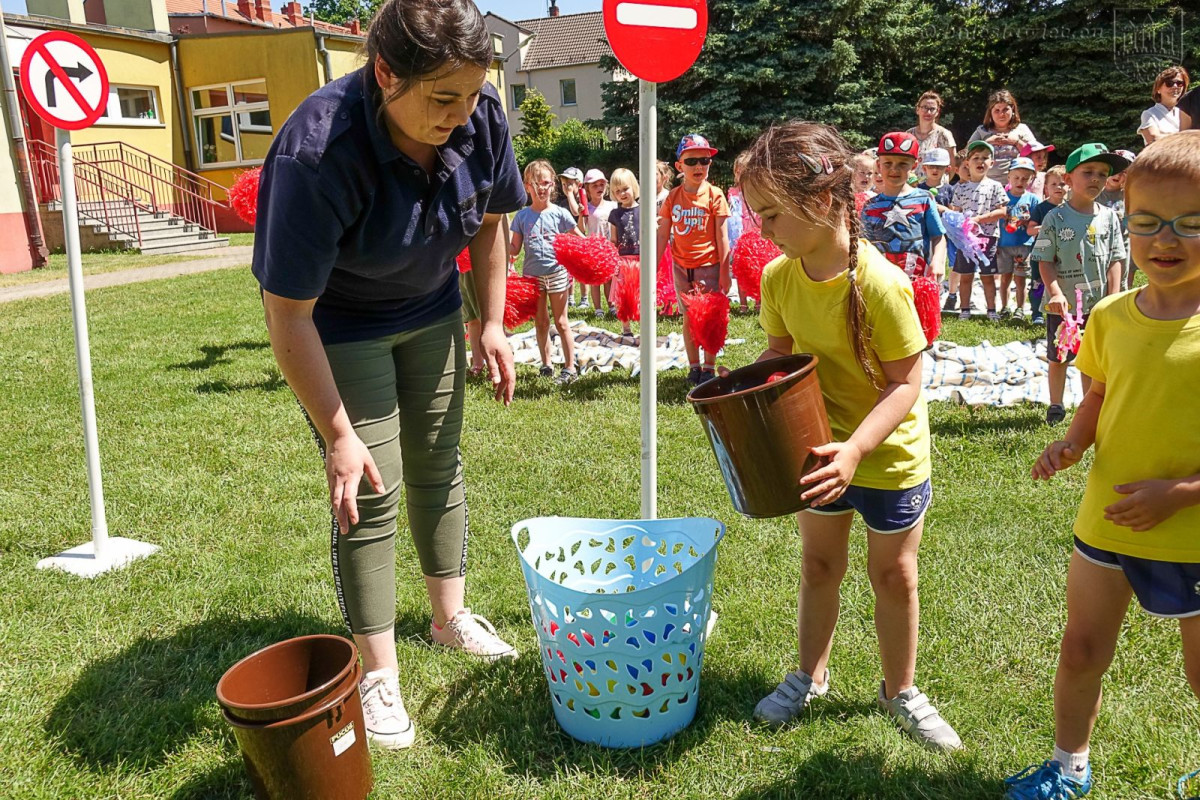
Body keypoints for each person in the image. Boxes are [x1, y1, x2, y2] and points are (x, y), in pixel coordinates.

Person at [251, 0, 522, 751]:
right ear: (385, 73)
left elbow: (494, 221)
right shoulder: (316, 151)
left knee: (440, 463)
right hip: (338, 322)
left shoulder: (480, 115)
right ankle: (379, 674)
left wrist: (490, 318)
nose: (461, 115)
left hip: (431, 306)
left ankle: (448, 619)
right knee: (368, 489)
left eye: (472, 94)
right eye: (443, 99)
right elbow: (287, 315)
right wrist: (338, 433)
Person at [737, 120, 960, 752]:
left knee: (894, 576)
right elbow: (778, 355)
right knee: (818, 565)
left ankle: (901, 690)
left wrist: (858, 448)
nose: (764, 230)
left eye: (773, 214)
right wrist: (745, 385)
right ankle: (809, 676)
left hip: (887, 456)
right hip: (819, 451)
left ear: (825, 200)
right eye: (758, 216)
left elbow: (907, 384)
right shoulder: (779, 279)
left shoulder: (882, 284)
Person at [1004, 131, 1200, 800]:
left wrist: (1179, 492)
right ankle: (1068, 766)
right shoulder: (1113, 316)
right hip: (1106, 521)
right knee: (1082, 649)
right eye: (1146, 223)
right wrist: (1073, 444)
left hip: (1192, 533)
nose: (1163, 239)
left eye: (1189, 224)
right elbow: (1099, 391)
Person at [1031, 143, 1129, 426]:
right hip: (1061, 308)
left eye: (1102, 173)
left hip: (1097, 307)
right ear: (1069, 179)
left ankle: (1090, 406)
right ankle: (1056, 405)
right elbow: (1044, 260)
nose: (1096, 179)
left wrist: (1112, 298)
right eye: (1088, 172)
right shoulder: (1054, 218)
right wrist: (1056, 293)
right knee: (1059, 356)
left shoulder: (1110, 217)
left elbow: (1115, 259)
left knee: (1092, 359)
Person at [656, 133, 731, 386]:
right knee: (688, 319)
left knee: (709, 318)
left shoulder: (715, 195)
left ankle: (709, 367)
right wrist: (652, 269)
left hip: (708, 267)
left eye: (704, 160)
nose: (699, 166)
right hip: (681, 268)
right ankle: (694, 366)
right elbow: (662, 234)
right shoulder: (673, 197)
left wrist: (724, 272)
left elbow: (723, 237)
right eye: (692, 161)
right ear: (679, 166)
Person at [511, 159, 582, 384]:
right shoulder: (521, 217)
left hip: (557, 273)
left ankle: (570, 367)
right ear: (526, 186)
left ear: (553, 185)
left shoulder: (560, 213)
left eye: (545, 183)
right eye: (535, 183)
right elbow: (514, 249)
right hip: (532, 276)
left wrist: (596, 250)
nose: (541, 188)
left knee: (561, 322)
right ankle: (546, 364)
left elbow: (579, 240)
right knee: (540, 322)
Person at [861, 131, 947, 283]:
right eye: (888, 163)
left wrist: (938, 262)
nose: (894, 169)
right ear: (879, 166)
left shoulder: (924, 199)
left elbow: (938, 236)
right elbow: (863, 246)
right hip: (880, 280)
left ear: (914, 165)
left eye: (902, 164)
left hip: (916, 280)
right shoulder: (870, 206)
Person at [949, 140, 1009, 320]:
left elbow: (1003, 211)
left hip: (987, 238)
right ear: (967, 163)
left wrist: (979, 220)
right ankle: (964, 310)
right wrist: (956, 224)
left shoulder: (995, 186)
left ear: (992, 163)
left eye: (985, 158)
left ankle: (991, 310)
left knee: (987, 276)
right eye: (976, 158)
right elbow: (955, 211)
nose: (980, 162)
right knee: (965, 276)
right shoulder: (961, 187)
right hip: (966, 241)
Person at [997, 157, 1040, 318]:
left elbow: (1037, 220)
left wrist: (1026, 221)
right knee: (1005, 278)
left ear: (1031, 179)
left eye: (1025, 178)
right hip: (1004, 244)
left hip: (1024, 245)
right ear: (1009, 177)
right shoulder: (1002, 197)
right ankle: (1004, 307)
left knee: (1021, 279)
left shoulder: (1032, 199)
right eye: (1016, 177)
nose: (1020, 181)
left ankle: (1020, 309)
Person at [1025, 165, 1068, 326]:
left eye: (1063, 184)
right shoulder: (1041, 208)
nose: (1059, 187)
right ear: (1046, 187)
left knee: (1062, 282)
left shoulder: (1071, 208)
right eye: (1054, 184)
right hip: (1041, 253)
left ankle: (1063, 310)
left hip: (1064, 253)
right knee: (1038, 282)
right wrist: (1046, 227)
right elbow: (1030, 230)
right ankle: (1037, 313)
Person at [968, 90, 1038, 182]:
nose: (1001, 114)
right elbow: (966, 153)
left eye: (1005, 109)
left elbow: (1036, 155)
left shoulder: (1022, 129)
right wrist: (988, 142)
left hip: (1015, 184)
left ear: (1012, 109)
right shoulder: (982, 130)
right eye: (997, 110)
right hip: (985, 183)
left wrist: (1016, 142)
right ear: (990, 112)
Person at [608, 167, 640, 338]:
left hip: (640, 259)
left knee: (640, 295)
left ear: (634, 186)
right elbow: (613, 240)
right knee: (623, 296)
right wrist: (612, 259)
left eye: (625, 189)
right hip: (622, 260)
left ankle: (645, 327)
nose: (622, 194)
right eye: (617, 191)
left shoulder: (644, 210)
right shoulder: (615, 214)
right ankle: (626, 329)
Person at [727, 150, 759, 311]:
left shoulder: (757, 192)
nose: (741, 174)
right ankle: (743, 302)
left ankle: (759, 301)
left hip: (754, 234)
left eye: (744, 170)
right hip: (739, 236)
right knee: (740, 270)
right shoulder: (732, 192)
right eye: (738, 171)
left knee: (756, 268)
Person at [583, 168, 618, 316]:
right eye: (594, 186)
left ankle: (612, 306)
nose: (599, 188)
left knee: (610, 279)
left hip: (610, 247)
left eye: (602, 185)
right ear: (587, 189)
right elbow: (581, 229)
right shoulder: (587, 208)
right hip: (593, 248)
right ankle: (598, 309)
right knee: (595, 281)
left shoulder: (613, 205)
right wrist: (581, 214)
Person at [1139, 66, 1189, 145]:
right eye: (1169, 83)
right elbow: (1153, 139)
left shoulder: (1187, 113)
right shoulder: (1149, 114)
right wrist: (1185, 138)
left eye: (1179, 83)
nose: (1175, 86)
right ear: (1158, 89)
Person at [906, 90, 957, 162]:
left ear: (937, 112)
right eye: (925, 107)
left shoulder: (944, 135)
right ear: (917, 109)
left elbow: (953, 165)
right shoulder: (908, 135)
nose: (928, 112)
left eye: (932, 109)